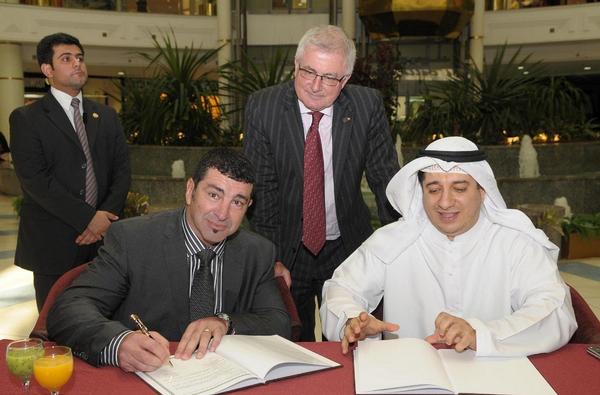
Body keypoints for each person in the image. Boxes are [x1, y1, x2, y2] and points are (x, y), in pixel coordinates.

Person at [321, 136, 578, 356]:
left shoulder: (515, 243)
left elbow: (553, 309)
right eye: (433, 189)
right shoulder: (392, 241)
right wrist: (353, 320)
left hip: (494, 373)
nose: (445, 202)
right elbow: (340, 288)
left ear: (482, 191)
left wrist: (481, 334)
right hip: (410, 377)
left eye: (459, 188)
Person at [47, 148, 291, 372]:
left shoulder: (257, 252)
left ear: (248, 206)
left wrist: (225, 322)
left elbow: (278, 322)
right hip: (149, 377)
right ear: (189, 190)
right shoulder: (133, 239)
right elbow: (70, 307)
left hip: (223, 378)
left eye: (237, 202)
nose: (223, 213)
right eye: (214, 195)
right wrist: (119, 342)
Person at [244, 25, 400, 341]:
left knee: (353, 337)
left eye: (330, 77)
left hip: (347, 246)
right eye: (308, 72)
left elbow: (385, 179)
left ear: (345, 80)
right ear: (295, 66)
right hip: (289, 247)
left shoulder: (366, 106)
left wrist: (400, 245)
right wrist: (271, 257)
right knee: (292, 341)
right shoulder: (264, 107)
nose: (316, 85)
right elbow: (264, 191)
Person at [9, 32, 131, 311]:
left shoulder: (106, 115)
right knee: (54, 324)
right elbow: (36, 181)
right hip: (53, 242)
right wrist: (89, 218)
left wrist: (104, 220)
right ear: (47, 70)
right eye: (67, 59)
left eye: (80, 58)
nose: (77, 64)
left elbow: (122, 171)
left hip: (103, 243)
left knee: (101, 318)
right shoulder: (27, 118)